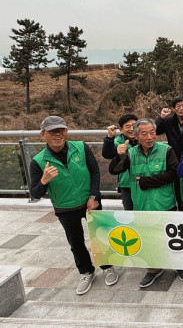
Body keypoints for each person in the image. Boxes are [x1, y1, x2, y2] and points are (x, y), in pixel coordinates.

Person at [30, 116, 118, 295]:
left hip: (90, 202)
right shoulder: (38, 161)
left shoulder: (80, 147)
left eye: (61, 130)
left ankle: (107, 266)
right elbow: (35, 193)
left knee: (99, 236)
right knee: (76, 242)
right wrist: (44, 181)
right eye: (52, 131)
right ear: (43, 135)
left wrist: (94, 196)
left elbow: (95, 171)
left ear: (66, 131)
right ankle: (86, 271)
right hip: (65, 208)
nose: (58, 134)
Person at [109, 118, 183, 287]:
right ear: (136, 136)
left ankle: (179, 265)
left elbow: (174, 173)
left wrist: (148, 182)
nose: (149, 137)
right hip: (141, 204)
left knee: (171, 237)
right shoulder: (131, 153)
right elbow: (115, 170)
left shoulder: (166, 150)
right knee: (149, 239)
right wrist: (120, 155)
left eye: (152, 133)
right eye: (144, 134)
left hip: (164, 203)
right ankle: (153, 269)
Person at [156, 96, 183, 209]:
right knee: (174, 187)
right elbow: (156, 131)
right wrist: (161, 118)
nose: (181, 108)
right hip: (173, 158)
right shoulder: (168, 121)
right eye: (178, 106)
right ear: (174, 108)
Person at [102, 113, 139, 210]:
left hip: (143, 182)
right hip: (126, 184)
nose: (131, 129)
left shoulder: (144, 140)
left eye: (134, 125)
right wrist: (110, 137)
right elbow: (107, 154)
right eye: (128, 126)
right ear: (121, 130)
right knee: (129, 212)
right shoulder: (117, 142)